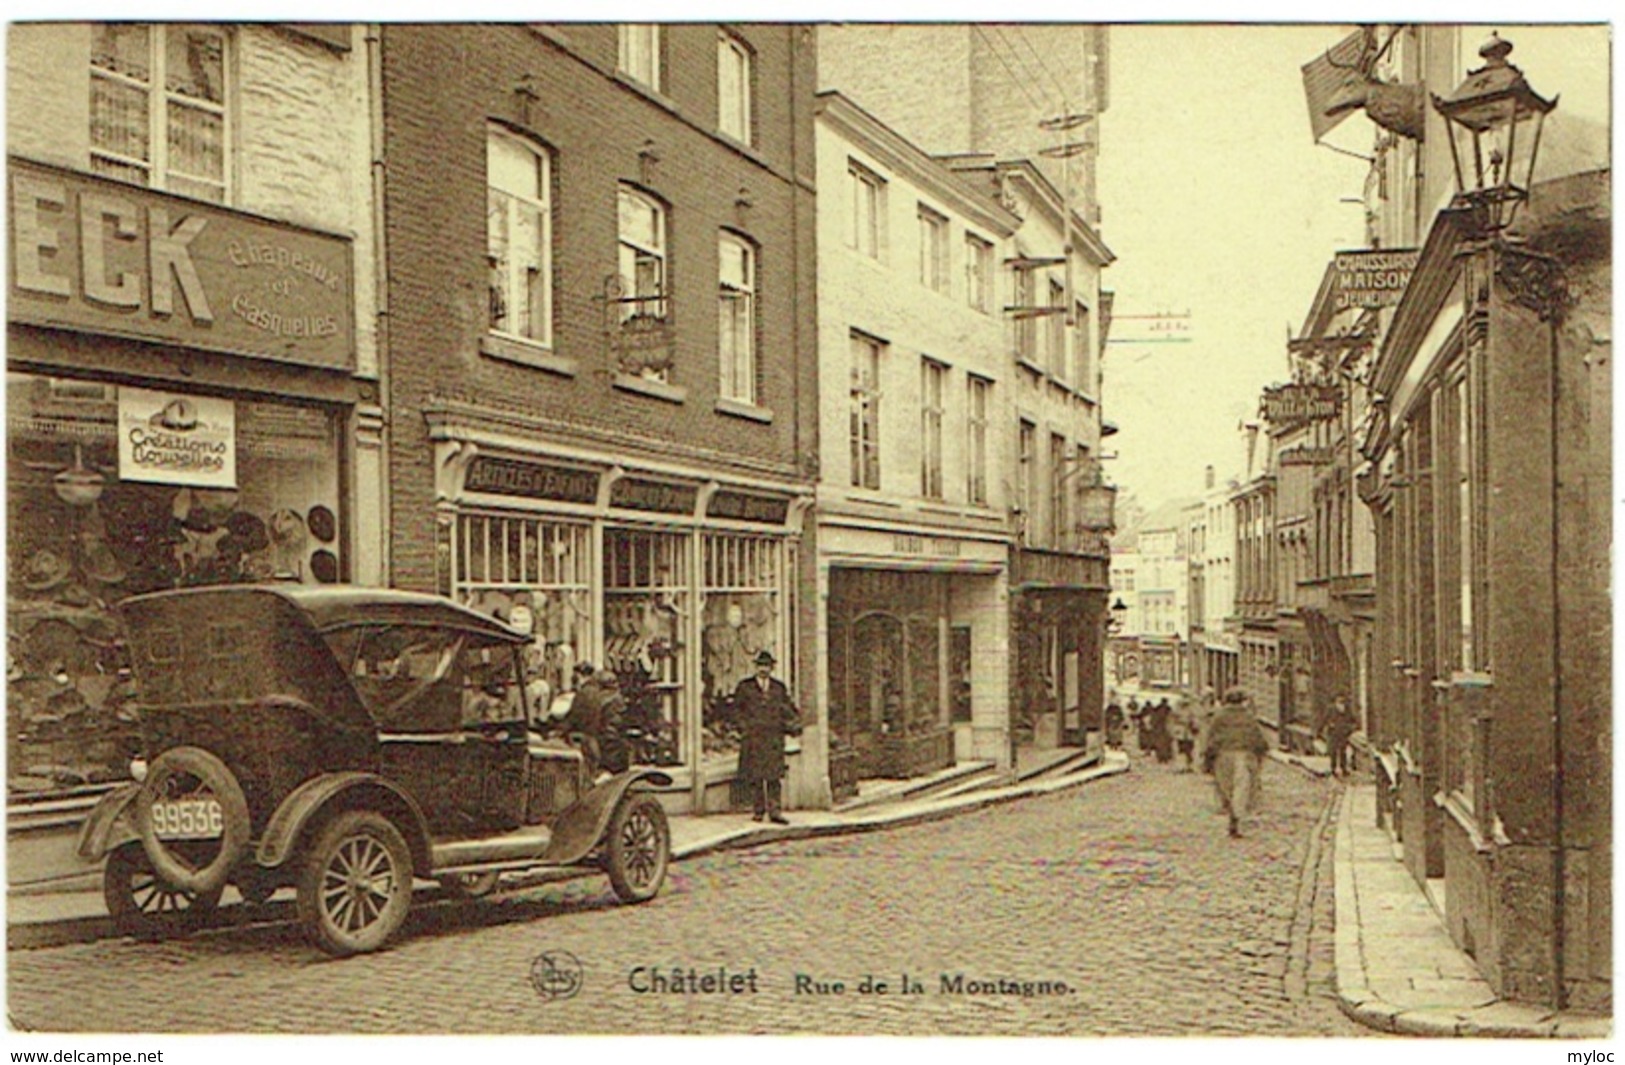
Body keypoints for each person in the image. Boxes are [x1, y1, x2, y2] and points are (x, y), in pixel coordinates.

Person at [733, 649, 801, 824]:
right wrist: (744, 728)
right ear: (755, 667)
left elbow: (789, 709)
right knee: (755, 776)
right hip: (754, 737)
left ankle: (775, 811)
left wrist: (790, 723)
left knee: (773, 777)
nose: (764, 669)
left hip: (773, 737)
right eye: (761, 666)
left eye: (767, 666)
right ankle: (758, 810)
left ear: (771, 668)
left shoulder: (779, 687)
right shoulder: (745, 687)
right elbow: (736, 711)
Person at [1208, 688, 1271, 838]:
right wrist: (1261, 751)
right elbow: (1257, 737)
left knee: (1226, 788)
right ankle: (1236, 817)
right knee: (1241, 788)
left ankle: (1232, 814)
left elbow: (1211, 737)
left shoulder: (1218, 717)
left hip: (1223, 756)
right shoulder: (1248, 717)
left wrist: (1208, 757)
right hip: (1244, 755)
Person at [564, 662, 628, 777]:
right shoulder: (616, 699)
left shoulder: (588, 695)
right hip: (616, 752)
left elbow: (573, 720)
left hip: (600, 751)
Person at [1323, 697, 1358, 778]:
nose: (1341, 706)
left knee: (1343, 752)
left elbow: (1354, 721)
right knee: (1333, 752)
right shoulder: (1330, 710)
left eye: (1342, 704)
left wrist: (1350, 728)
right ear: (1336, 704)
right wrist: (1328, 725)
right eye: (1339, 704)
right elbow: (1325, 720)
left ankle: (1343, 768)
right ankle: (1333, 769)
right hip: (1333, 734)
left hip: (1343, 734)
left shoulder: (1347, 711)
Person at [1171, 699, 1198, 771]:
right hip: (1183, 734)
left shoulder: (1190, 712)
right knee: (1183, 750)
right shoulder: (1178, 713)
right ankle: (1183, 766)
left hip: (1187, 734)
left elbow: (1194, 723)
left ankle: (1187, 766)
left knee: (1188, 750)